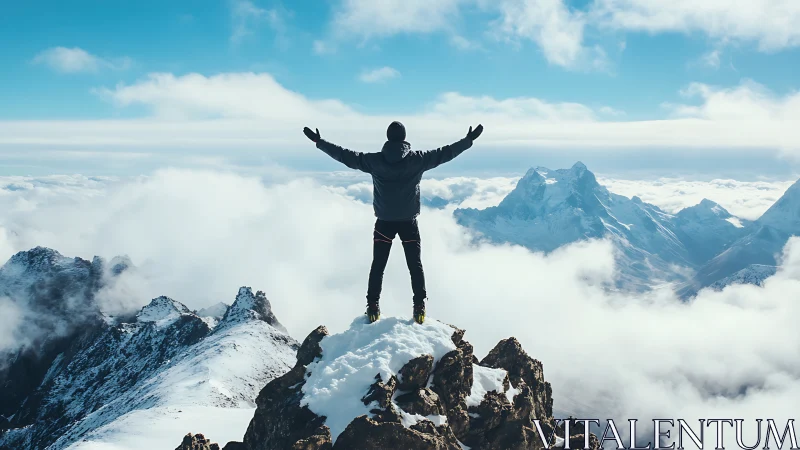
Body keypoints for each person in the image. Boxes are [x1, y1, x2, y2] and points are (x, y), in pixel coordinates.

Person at [302, 121, 483, 324]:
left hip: (384, 223)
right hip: (408, 223)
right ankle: (420, 307)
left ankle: (372, 306)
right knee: (415, 265)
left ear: (387, 138)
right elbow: (445, 153)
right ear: (405, 138)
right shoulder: (418, 160)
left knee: (378, 265)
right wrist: (467, 141)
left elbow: (345, 155)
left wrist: (320, 142)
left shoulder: (374, 161)